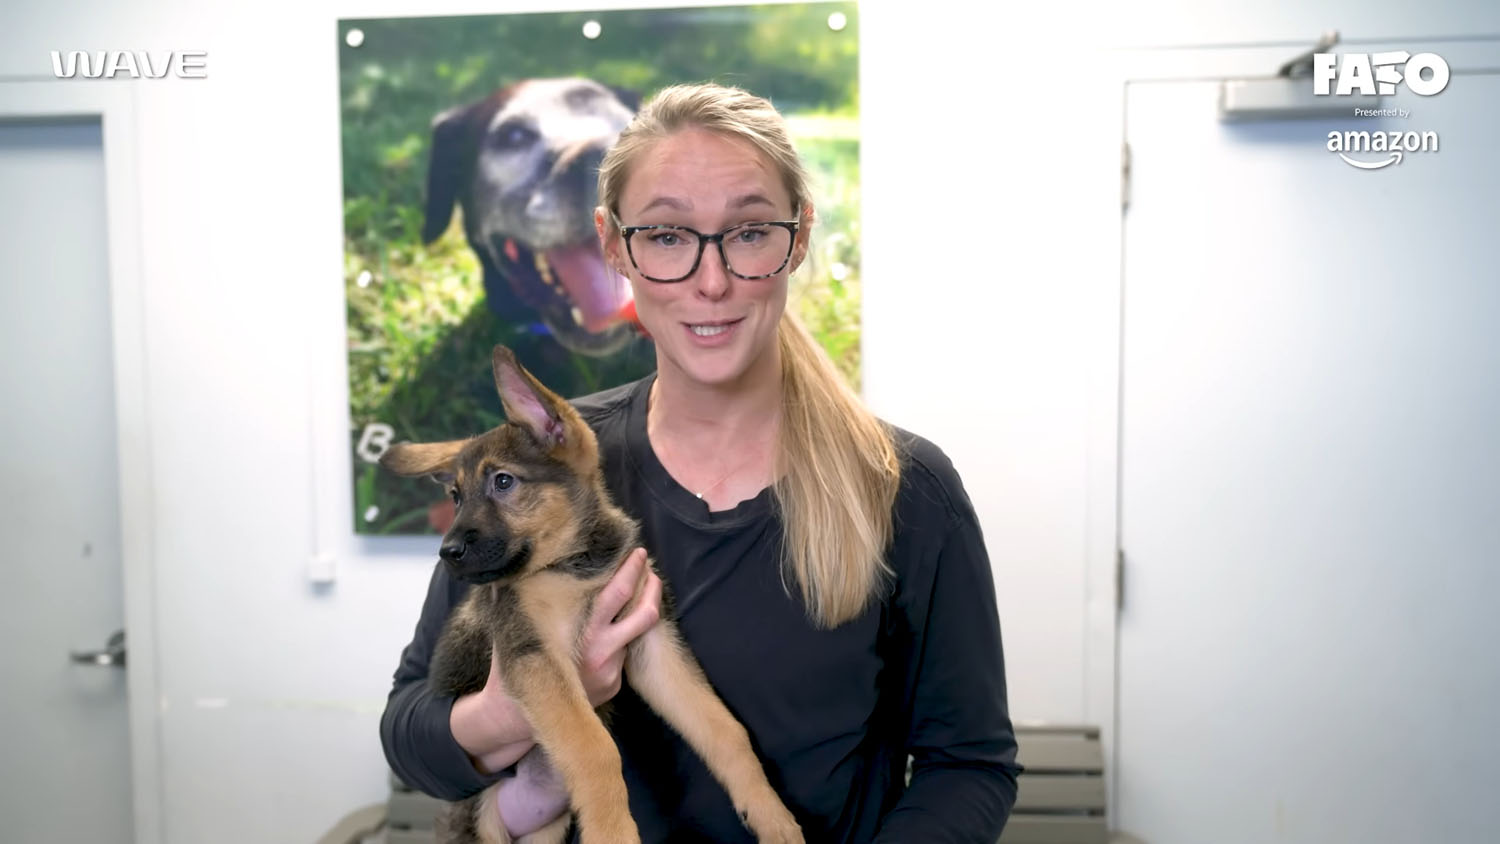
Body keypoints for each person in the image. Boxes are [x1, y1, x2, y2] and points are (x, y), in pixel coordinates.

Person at [380, 82, 1021, 843]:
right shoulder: (549, 470)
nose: (711, 282)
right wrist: (510, 710)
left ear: (799, 236)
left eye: (749, 232)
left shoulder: (908, 489)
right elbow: (410, 732)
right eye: (666, 236)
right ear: (613, 244)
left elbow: (969, 765)